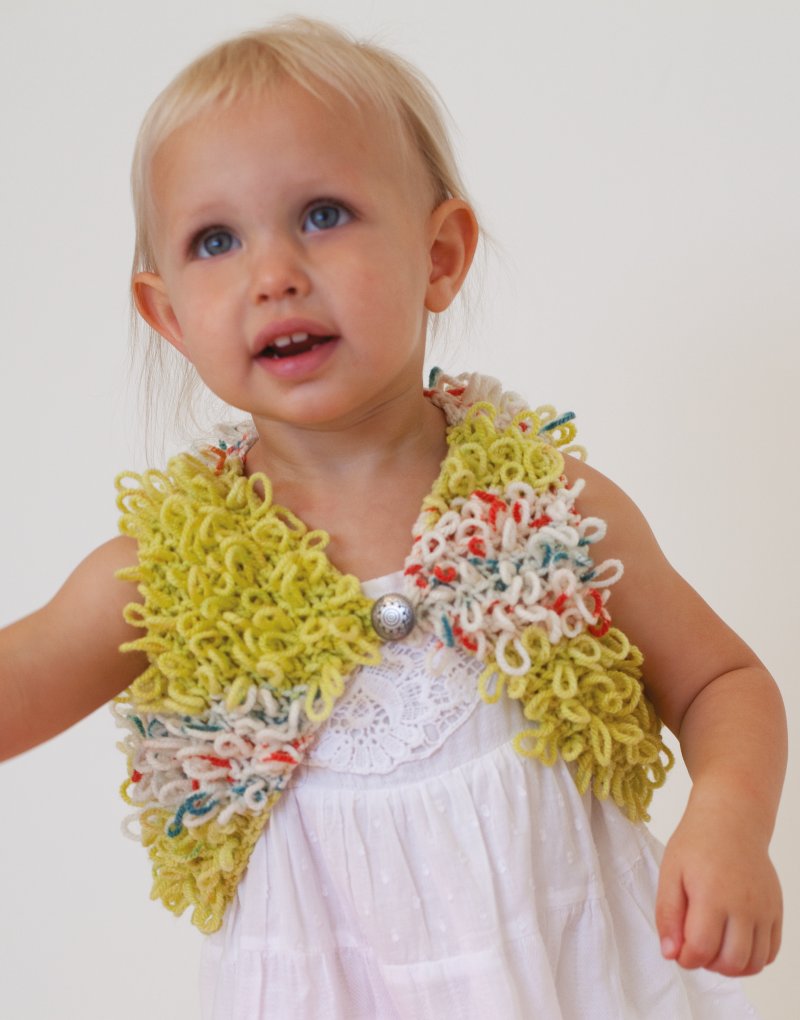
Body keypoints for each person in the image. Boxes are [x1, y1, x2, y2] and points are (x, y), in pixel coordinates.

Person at [0, 17, 785, 1020]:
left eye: (322, 214)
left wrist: (728, 820)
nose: (273, 273)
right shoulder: (167, 575)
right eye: (215, 240)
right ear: (169, 317)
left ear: (439, 254)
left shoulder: (545, 512)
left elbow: (722, 681)